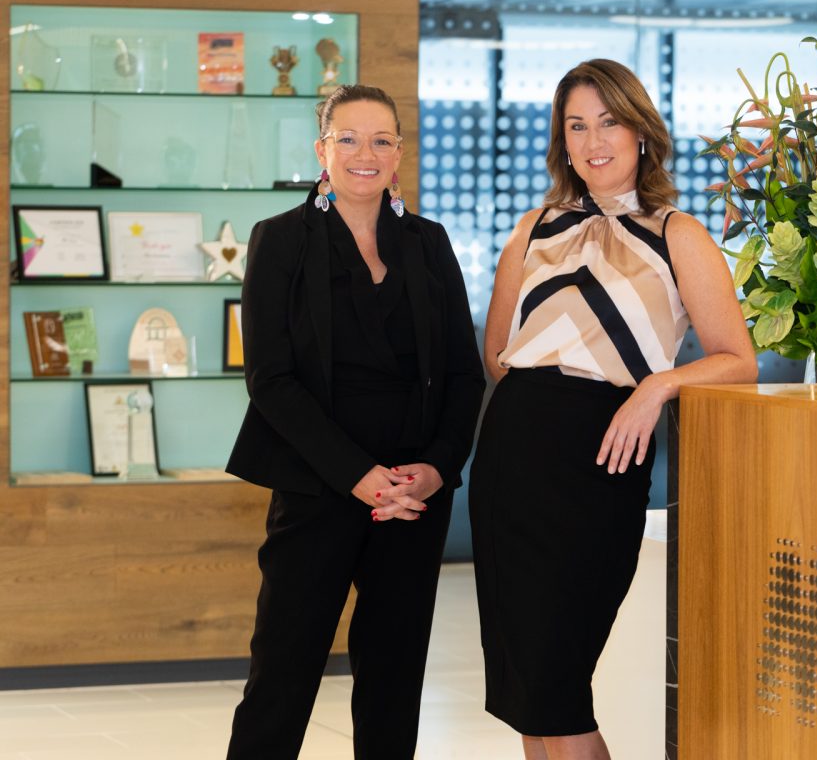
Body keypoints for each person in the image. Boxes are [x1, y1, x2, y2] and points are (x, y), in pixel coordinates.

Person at [470, 59, 758, 760]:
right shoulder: (534, 227)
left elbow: (737, 360)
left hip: (602, 455)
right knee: (528, 695)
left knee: (559, 686)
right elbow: (498, 353)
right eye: (576, 125)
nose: (593, 139)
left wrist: (653, 387)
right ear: (561, 141)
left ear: (639, 131)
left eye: (608, 121)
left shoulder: (677, 233)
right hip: (514, 455)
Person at [224, 84, 485, 759]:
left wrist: (434, 470)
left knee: (394, 682)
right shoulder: (280, 240)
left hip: (413, 495)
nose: (364, 154)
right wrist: (358, 477)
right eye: (348, 138)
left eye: (380, 140)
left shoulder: (429, 244)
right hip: (318, 486)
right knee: (282, 675)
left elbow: (464, 373)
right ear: (322, 150)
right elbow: (270, 381)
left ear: (398, 154)